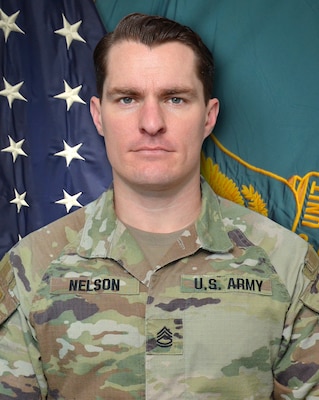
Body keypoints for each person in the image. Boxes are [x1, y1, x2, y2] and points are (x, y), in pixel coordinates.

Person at [0, 12, 318, 399]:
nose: (152, 122)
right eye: (128, 98)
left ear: (208, 117)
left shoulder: (288, 266)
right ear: (99, 116)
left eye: (175, 98)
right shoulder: (30, 269)